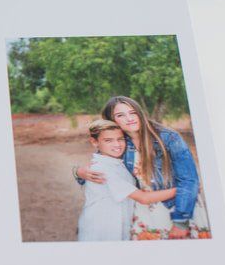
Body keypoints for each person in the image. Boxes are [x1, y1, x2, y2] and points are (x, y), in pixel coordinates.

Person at [75, 95, 208, 240]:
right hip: (144, 209)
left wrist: (180, 222)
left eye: (132, 113)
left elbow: (188, 180)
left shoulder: (168, 138)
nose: (129, 118)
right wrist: (78, 172)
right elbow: (102, 165)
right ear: (111, 120)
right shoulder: (121, 141)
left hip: (178, 207)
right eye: (120, 115)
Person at [77, 119, 176, 241]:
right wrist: (180, 190)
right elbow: (143, 198)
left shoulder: (118, 163)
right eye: (108, 140)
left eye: (120, 139)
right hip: (100, 228)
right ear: (94, 142)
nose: (117, 145)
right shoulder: (102, 169)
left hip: (118, 224)